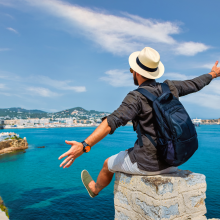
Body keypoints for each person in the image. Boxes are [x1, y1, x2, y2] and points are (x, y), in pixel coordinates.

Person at [58, 47, 220, 198]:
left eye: (131, 70)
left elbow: (111, 122)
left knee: (108, 164)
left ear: (136, 72)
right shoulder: (170, 87)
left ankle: (94, 189)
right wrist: (212, 74)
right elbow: (194, 84)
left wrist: (85, 145)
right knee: (128, 153)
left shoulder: (136, 97)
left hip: (149, 164)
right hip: (174, 160)